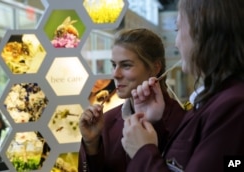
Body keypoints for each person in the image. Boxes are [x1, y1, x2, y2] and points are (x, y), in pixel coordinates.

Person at [121, 0, 244, 171]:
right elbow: (182, 161)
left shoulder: (233, 106)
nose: (177, 43)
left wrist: (143, 152)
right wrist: (153, 124)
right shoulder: (212, 100)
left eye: (178, 30)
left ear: (204, 33)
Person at [78, 28, 185, 172]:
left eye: (126, 65)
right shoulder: (106, 121)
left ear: (155, 67)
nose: (115, 74)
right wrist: (91, 144)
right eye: (114, 65)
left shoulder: (181, 121)